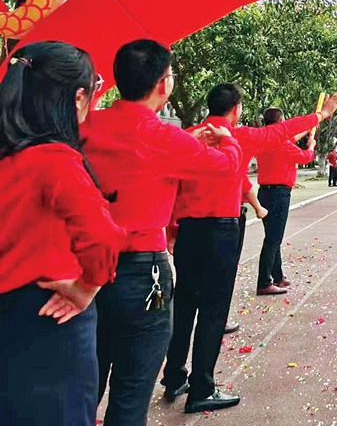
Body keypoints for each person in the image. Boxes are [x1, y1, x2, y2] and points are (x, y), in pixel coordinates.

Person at [81, 39, 243, 426]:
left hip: (86, 270)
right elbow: (226, 167)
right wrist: (229, 142)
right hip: (142, 273)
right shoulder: (164, 138)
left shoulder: (87, 127)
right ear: (162, 83)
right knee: (131, 390)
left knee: (87, 383)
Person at [162, 84, 337, 414]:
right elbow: (282, 130)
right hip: (220, 229)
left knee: (185, 303)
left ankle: (174, 377)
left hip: (188, 230)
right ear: (236, 109)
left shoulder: (189, 135)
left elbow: (172, 185)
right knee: (213, 310)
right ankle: (202, 388)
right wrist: (322, 114)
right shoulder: (239, 136)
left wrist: (171, 230)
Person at [0, 42, 125, 426]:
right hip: (47, 318)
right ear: (78, 97)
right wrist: (87, 287)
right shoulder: (54, 161)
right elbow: (102, 237)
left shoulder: (10, 157)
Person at [254, 107, 316, 297]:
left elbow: (292, 137)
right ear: (281, 122)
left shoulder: (264, 139)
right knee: (273, 239)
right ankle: (264, 282)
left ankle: (277, 276)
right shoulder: (281, 143)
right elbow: (305, 157)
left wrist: (307, 128)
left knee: (273, 236)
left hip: (264, 193)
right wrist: (311, 145)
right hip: (278, 194)